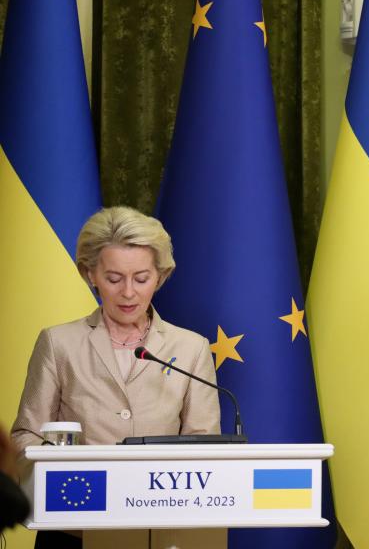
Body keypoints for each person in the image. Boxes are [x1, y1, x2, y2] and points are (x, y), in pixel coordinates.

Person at [11, 207, 221, 548]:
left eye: (141, 278)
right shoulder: (58, 342)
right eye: (113, 278)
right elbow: (24, 437)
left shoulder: (191, 348)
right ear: (90, 274)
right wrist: (65, 471)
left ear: (160, 276)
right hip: (73, 528)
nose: (128, 292)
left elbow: (203, 448)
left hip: (161, 531)